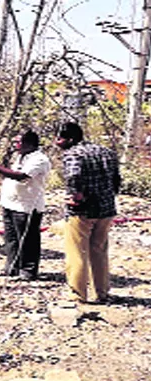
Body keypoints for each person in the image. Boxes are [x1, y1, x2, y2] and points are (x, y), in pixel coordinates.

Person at [55, 122, 121, 303]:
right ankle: (102, 291)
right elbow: (116, 179)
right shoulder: (106, 151)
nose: (56, 142)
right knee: (99, 250)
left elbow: (73, 176)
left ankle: (78, 294)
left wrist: (76, 196)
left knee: (76, 252)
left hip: (82, 211)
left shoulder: (73, 154)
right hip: (106, 209)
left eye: (59, 138)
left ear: (70, 139)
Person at [0, 130, 51, 280]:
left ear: (30, 143)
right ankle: (12, 268)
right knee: (11, 238)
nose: (15, 145)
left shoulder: (39, 159)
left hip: (27, 206)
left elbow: (20, 176)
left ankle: (28, 271)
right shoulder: (20, 156)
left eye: (18, 142)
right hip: (10, 203)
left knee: (27, 239)